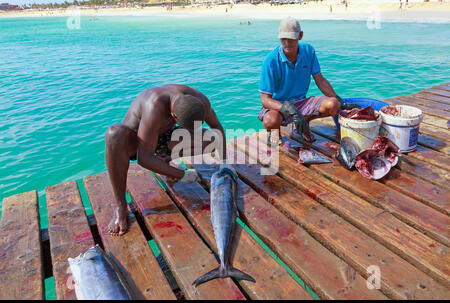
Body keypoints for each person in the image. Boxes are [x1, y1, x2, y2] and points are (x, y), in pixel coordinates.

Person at [105, 84, 228, 235]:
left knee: (212, 138)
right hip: (136, 144)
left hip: (163, 136)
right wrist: (182, 174)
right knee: (114, 134)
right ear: (174, 115)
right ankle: (120, 206)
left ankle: (165, 158)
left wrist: (224, 163)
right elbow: (144, 159)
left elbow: (218, 129)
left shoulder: (200, 100)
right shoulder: (154, 106)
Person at [258, 17, 354, 144]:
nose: (286, 42)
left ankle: (304, 124)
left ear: (300, 35)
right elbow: (265, 99)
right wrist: (290, 110)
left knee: (333, 105)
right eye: (283, 38)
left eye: (291, 38)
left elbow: (320, 80)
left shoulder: (309, 51)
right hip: (280, 106)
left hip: (302, 102)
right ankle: (275, 132)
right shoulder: (270, 61)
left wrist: (339, 100)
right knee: (270, 120)